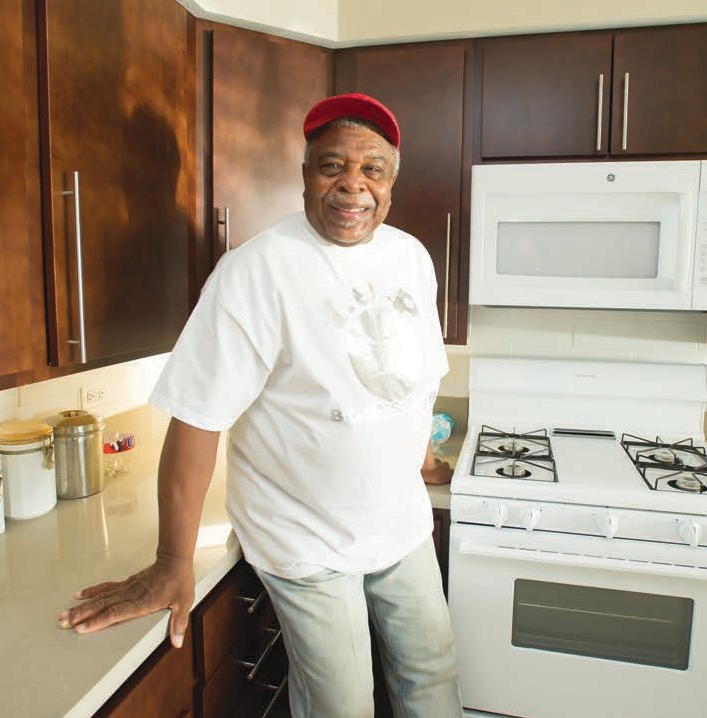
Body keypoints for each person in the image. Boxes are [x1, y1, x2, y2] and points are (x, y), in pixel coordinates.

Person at [58, 93, 462, 717]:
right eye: (332, 166)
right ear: (304, 176)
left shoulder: (410, 257)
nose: (352, 184)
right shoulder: (255, 272)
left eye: (372, 169)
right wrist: (172, 560)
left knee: (433, 680)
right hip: (307, 539)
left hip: (401, 523)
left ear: (391, 185)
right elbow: (197, 419)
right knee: (342, 707)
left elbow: (416, 376)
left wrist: (426, 455)